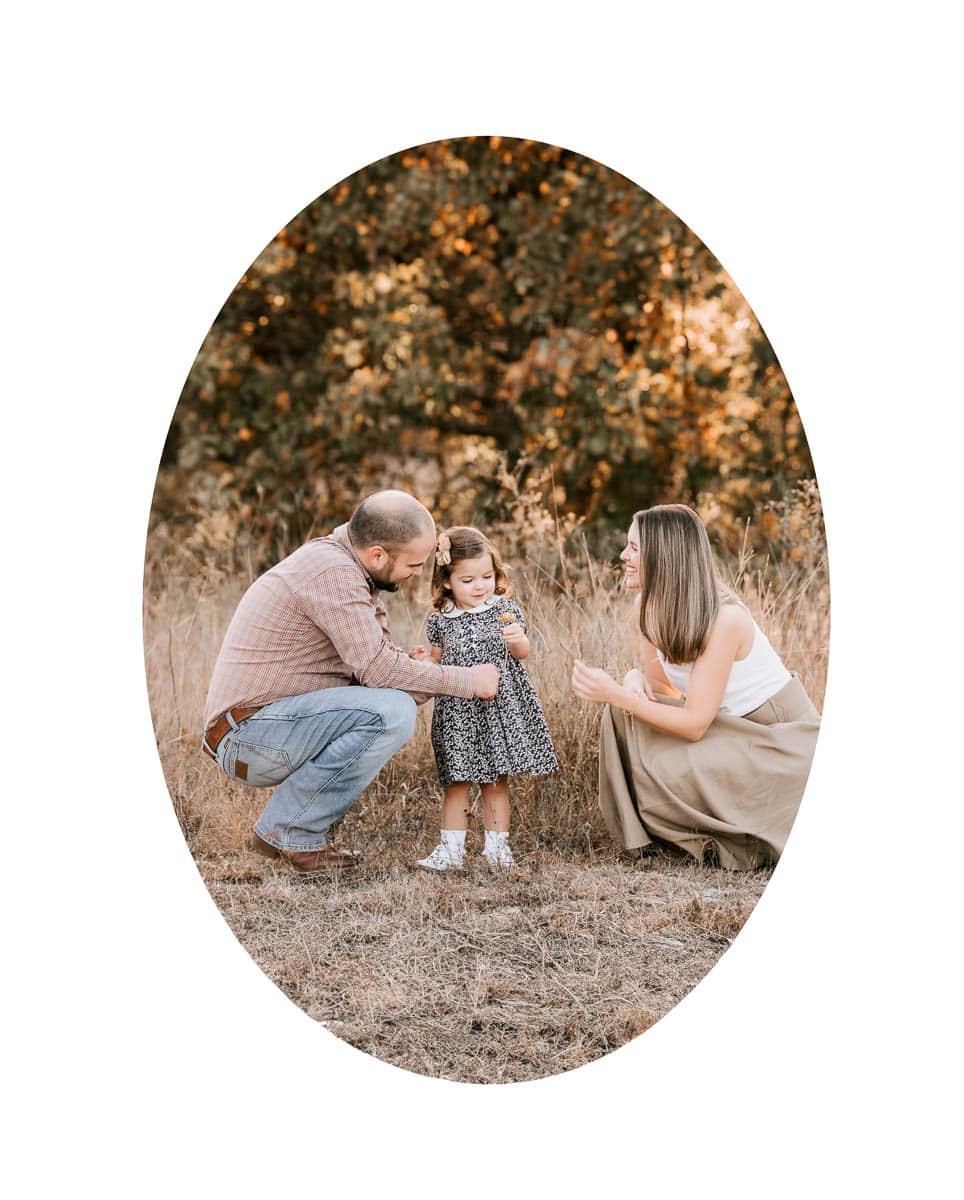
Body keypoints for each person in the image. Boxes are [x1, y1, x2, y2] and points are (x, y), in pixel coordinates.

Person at [201, 492, 500, 874]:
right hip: (248, 736)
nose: (416, 574)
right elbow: (378, 671)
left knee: (393, 704)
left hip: (271, 727)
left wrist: (418, 673)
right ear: (377, 554)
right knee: (393, 711)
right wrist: (468, 680)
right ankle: (291, 831)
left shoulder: (352, 570)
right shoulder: (333, 572)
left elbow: (374, 672)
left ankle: (287, 827)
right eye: (413, 564)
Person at [571, 504, 819, 869]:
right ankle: (645, 839)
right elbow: (661, 688)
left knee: (621, 704)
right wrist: (631, 680)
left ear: (665, 555)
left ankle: (726, 834)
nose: (624, 556)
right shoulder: (649, 606)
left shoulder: (725, 619)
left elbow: (693, 724)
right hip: (731, 732)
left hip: (778, 738)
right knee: (621, 714)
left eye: (635, 548)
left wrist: (618, 694)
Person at [410, 526, 558, 871]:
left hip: (498, 709)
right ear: (447, 581)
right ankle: (451, 850)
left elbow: (523, 653)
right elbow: (437, 660)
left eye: (487, 576)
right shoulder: (441, 620)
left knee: (494, 780)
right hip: (458, 710)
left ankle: (496, 850)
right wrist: (424, 661)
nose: (479, 586)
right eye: (468, 580)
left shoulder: (503, 610)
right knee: (456, 780)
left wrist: (517, 639)